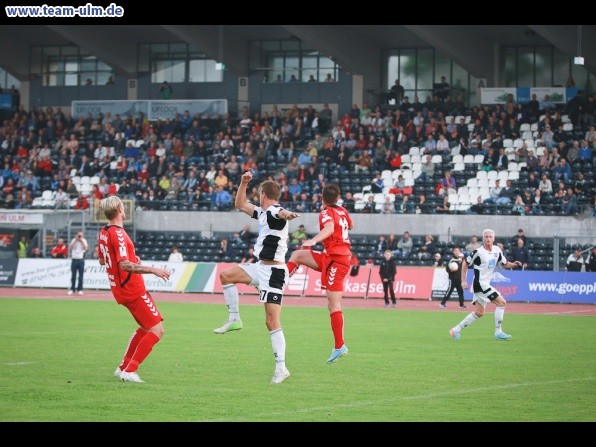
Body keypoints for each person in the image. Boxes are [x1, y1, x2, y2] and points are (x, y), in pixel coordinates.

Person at [212, 172, 299, 385]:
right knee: (226, 275)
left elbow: (281, 213)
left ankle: (281, 368)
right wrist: (243, 183)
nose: (257, 197)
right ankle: (234, 318)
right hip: (260, 267)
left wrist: (288, 215)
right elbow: (240, 203)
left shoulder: (274, 210)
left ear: (263, 194)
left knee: (271, 321)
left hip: (275, 273)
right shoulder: (261, 212)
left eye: (259, 193)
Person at [98, 195, 171, 383]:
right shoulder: (119, 234)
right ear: (120, 210)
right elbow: (124, 265)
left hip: (120, 288)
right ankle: (130, 370)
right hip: (132, 288)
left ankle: (123, 367)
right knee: (157, 330)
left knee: (146, 327)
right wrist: (153, 269)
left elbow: (102, 259)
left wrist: (132, 258)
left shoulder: (104, 232)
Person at [286, 183, 353, 364]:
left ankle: (340, 346)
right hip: (331, 257)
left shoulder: (326, 212)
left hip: (338, 261)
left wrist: (313, 240)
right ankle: (280, 282)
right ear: (338, 198)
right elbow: (348, 227)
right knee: (297, 255)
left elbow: (330, 228)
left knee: (334, 304)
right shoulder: (343, 211)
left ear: (322, 199)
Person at [449, 229, 522, 341]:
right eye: (486, 237)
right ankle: (498, 332)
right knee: (502, 302)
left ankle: (456, 330)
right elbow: (465, 264)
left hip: (483, 284)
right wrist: (463, 281)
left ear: (494, 238)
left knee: (479, 312)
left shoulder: (497, 250)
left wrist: (514, 264)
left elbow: (505, 264)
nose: (488, 239)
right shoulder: (478, 252)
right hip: (480, 283)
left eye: (490, 237)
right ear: (483, 239)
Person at [68, 231, 88, 295]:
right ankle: (72, 289)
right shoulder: (73, 240)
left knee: (81, 276)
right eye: (78, 235)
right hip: (74, 260)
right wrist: (76, 240)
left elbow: (86, 248)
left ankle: (80, 289)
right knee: (73, 276)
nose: (79, 237)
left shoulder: (84, 240)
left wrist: (81, 241)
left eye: (80, 235)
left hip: (80, 260)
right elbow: (70, 248)